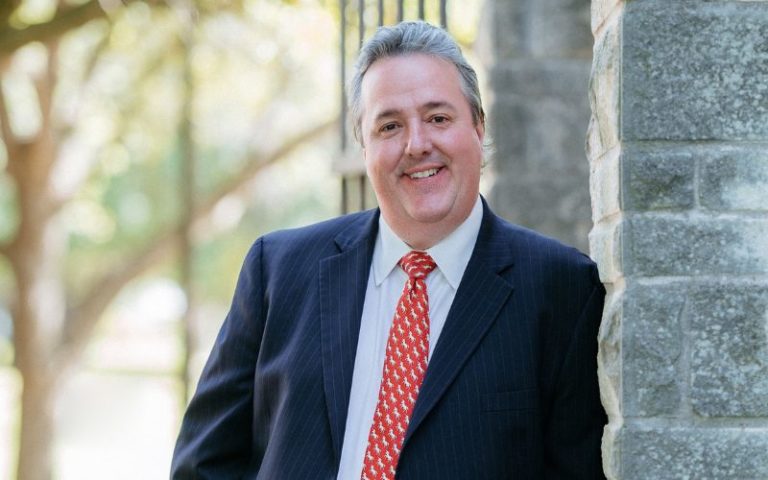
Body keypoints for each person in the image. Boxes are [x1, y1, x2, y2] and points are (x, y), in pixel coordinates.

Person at [171, 20, 606, 479]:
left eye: (438, 118)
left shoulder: (562, 289)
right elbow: (202, 465)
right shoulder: (277, 271)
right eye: (390, 126)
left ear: (478, 128)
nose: (417, 145)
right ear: (364, 146)